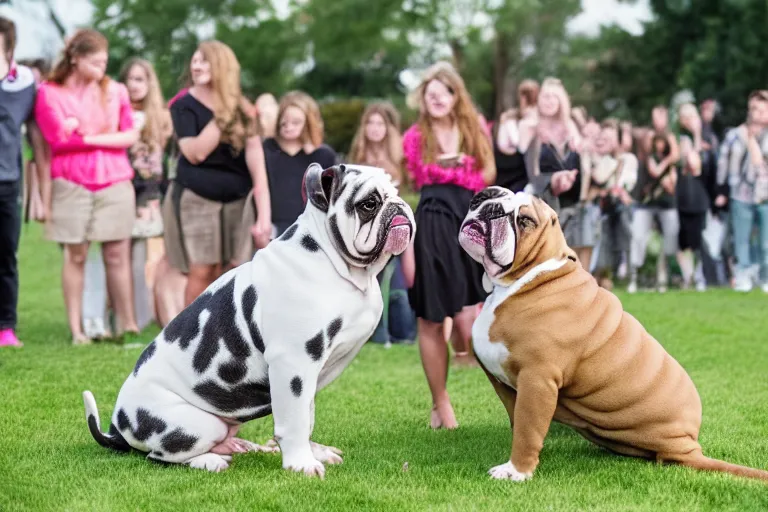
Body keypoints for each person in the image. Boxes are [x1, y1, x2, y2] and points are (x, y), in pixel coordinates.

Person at [403, 61, 496, 430]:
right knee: (430, 315)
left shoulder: (474, 127)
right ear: (423, 100)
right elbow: (417, 172)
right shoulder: (415, 135)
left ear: (457, 96)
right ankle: (441, 404)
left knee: (470, 313)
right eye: (431, 94)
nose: (438, 99)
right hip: (433, 217)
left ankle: (511, 391)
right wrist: (446, 166)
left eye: (445, 93)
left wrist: (463, 167)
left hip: (469, 215)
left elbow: (488, 173)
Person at [35, 29, 141, 344]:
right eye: (95, 62)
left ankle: (128, 324)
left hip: (115, 179)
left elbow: (130, 135)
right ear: (76, 59)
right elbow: (57, 139)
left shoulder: (116, 91)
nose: (101, 69)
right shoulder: (49, 93)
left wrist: (87, 137)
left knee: (117, 254)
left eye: (104, 62)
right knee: (76, 254)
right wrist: (89, 137)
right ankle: (77, 329)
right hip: (71, 181)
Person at [162, 40, 271, 306]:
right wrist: (223, 114)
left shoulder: (244, 110)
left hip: (237, 200)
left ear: (221, 66)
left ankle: (223, 337)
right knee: (202, 270)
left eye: (204, 60)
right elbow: (195, 152)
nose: (196, 65)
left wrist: (264, 216)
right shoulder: (183, 105)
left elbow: (257, 164)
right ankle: (189, 337)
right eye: (195, 60)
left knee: (233, 271)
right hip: (197, 198)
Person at [348, 102, 415, 346]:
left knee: (396, 286)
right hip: (364, 232)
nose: (375, 129)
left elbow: (408, 200)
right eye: (370, 123)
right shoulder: (357, 160)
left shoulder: (400, 161)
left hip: (396, 232)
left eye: (380, 124)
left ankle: (402, 333)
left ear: (388, 128)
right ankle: (368, 335)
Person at [0, 17, 48, 347]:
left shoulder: (25, 83)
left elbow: (38, 138)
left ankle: (5, 327)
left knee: (6, 256)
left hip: (8, 182)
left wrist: (42, 193)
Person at [523, 78, 593, 269]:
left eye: (554, 97)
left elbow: (583, 160)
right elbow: (528, 168)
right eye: (546, 96)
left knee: (573, 252)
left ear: (562, 100)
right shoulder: (532, 124)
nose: (549, 101)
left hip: (571, 200)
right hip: (542, 201)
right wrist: (553, 179)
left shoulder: (569, 125)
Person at [261, 91, 336, 237]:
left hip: (311, 231)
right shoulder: (266, 149)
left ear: (308, 123)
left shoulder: (323, 155)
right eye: (284, 121)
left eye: (296, 122)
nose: (289, 126)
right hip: (271, 230)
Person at [717, 90, 768, 292]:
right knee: (741, 240)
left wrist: (753, 140)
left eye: (761, 109)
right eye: (754, 108)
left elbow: (759, 163)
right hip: (741, 194)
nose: (756, 113)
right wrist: (720, 190)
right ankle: (743, 277)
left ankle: (765, 277)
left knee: (766, 242)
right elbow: (723, 164)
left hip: (765, 195)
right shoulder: (735, 135)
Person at [588, 119, 638, 288]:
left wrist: (618, 189)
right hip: (603, 209)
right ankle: (602, 278)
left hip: (621, 207)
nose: (607, 143)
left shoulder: (628, 159)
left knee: (626, 239)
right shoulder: (603, 160)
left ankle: (629, 276)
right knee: (603, 247)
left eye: (610, 139)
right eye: (604, 138)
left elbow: (628, 182)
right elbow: (598, 179)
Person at [675, 103, 713, 291]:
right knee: (683, 242)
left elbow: (699, 167)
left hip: (700, 195)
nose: (690, 121)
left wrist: (698, 136)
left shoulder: (708, 136)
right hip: (683, 195)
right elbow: (689, 161)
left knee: (699, 240)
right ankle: (688, 276)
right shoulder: (679, 138)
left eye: (692, 116)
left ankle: (699, 276)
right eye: (686, 117)